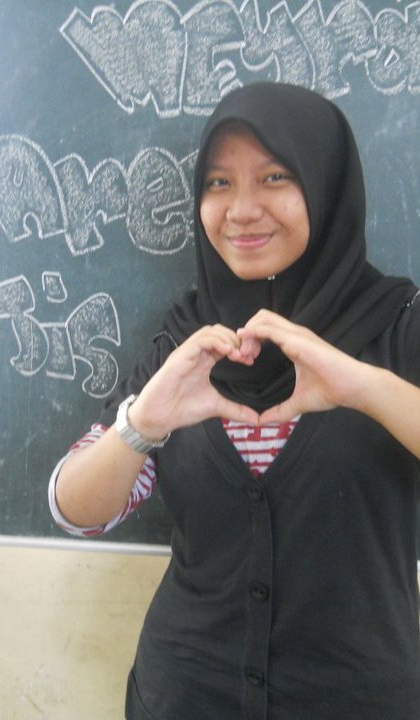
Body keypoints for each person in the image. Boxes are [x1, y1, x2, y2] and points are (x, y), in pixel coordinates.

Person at [48, 82, 420, 719]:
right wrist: (142, 424)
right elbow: (74, 510)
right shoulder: (183, 339)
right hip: (184, 696)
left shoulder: (399, 325)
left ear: (325, 186)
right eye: (218, 183)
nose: (241, 210)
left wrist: (363, 386)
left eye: (274, 177)